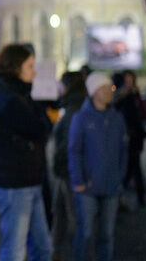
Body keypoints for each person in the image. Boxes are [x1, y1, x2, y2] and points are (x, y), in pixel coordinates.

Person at [0, 43, 53, 261]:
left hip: (27, 179)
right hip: (15, 183)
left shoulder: (15, 93)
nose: (35, 71)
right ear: (15, 68)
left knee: (42, 248)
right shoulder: (7, 98)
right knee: (14, 250)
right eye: (30, 66)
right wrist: (45, 118)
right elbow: (39, 128)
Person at [68, 72, 128, 261]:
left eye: (110, 88)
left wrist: (120, 177)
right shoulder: (81, 118)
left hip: (111, 186)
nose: (110, 92)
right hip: (87, 187)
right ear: (94, 91)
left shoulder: (117, 118)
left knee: (107, 235)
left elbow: (123, 151)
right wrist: (78, 180)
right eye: (105, 88)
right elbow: (74, 150)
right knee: (85, 234)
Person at [51, 71, 86, 261]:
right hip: (64, 168)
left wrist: (60, 162)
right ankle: (54, 250)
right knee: (60, 212)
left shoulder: (73, 108)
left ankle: (83, 253)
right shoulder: (69, 105)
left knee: (73, 214)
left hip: (68, 169)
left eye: (61, 83)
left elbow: (69, 143)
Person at [113, 70, 146, 209]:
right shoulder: (118, 95)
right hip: (124, 136)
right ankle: (123, 196)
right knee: (129, 167)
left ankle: (137, 196)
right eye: (126, 80)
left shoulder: (135, 94)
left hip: (135, 135)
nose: (129, 83)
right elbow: (115, 110)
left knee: (133, 166)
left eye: (131, 80)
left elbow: (140, 114)